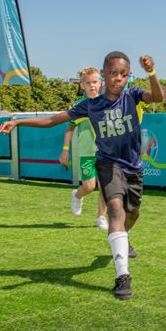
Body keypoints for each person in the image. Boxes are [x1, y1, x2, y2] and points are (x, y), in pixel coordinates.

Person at [0, 51, 163, 300]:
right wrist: (18, 122)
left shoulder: (132, 95)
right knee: (116, 211)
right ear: (104, 74)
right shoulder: (90, 105)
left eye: (123, 74)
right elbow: (55, 119)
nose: (118, 78)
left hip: (134, 167)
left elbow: (159, 97)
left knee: (133, 213)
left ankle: (123, 237)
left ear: (128, 76)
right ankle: (123, 276)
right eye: (113, 73)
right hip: (108, 164)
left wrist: (152, 72)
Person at [60, 67, 108, 231]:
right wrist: (65, 150)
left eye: (94, 82)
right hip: (87, 153)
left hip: (105, 153)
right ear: (82, 85)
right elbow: (69, 129)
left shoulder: (107, 102)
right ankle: (77, 195)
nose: (92, 85)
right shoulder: (79, 106)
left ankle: (101, 217)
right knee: (89, 187)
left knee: (105, 187)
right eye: (88, 83)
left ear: (100, 83)